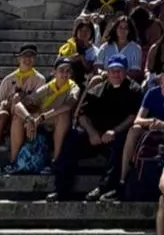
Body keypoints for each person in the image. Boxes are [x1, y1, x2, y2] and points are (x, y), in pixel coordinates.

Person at [48, 55, 141, 202]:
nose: (116, 74)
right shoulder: (98, 89)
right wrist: (92, 133)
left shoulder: (134, 89)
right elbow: (82, 115)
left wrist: (114, 131)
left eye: (119, 70)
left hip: (116, 136)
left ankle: (105, 188)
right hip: (95, 137)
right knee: (73, 136)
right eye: (112, 70)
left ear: (125, 72)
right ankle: (61, 188)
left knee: (121, 142)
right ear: (107, 72)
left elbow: (133, 117)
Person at [115, 62, 164, 202]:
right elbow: (138, 119)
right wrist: (153, 122)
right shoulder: (152, 93)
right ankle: (123, 177)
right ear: (161, 77)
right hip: (153, 132)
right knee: (134, 131)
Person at [2, 55, 78, 176]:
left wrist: (42, 117)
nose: (65, 74)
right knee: (18, 117)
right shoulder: (48, 87)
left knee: (63, 115)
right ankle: (13, 161)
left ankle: (56, 161)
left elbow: (68, 106)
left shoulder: (73, 87)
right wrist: (29, 118)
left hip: (57, 123)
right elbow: (20, 105)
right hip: (42, 122)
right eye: (61, 70)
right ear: (54, 72)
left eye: (68, 71)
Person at [0, 43, 45, 174]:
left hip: (26, 117)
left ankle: (13, 161)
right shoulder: (8, 79)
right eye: (25, 56)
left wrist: (22, 100)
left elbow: (40, 105)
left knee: (17, 103)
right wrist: (5, 105)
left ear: (35, 59)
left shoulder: (39, 79)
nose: (28, 59)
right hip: (7, 117)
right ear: (19, 58)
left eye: (31, 56)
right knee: (2, 114)